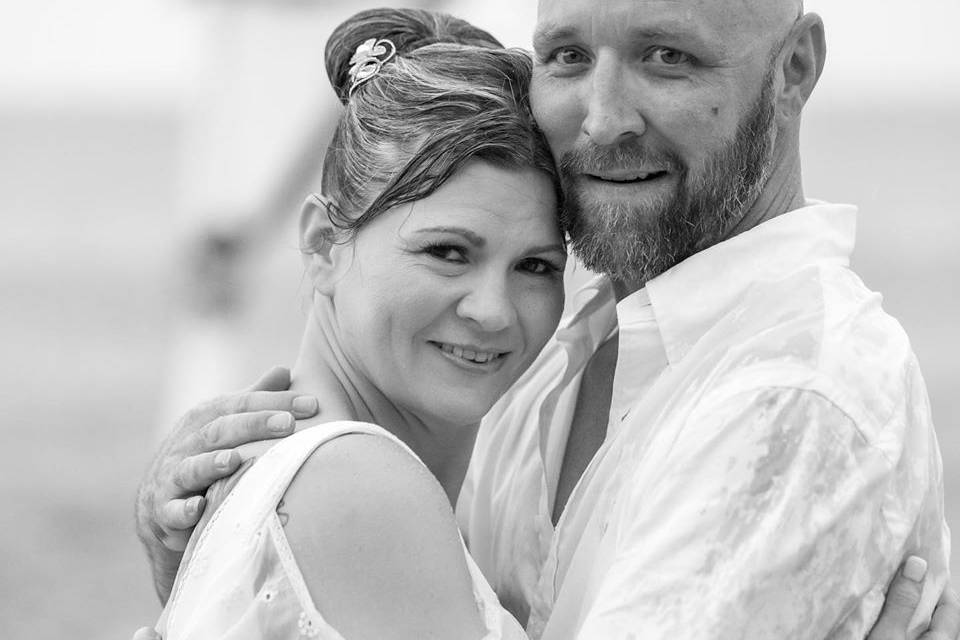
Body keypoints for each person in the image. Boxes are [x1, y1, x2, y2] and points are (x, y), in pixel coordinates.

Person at [136, 1, 960, 638]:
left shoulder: (792, 398)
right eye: (567, 56)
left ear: (795, 68)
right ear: (321, 243)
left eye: (666, 57)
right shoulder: (554, 360)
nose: (601, 119)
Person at [149, 7, 568, 638]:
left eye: (536, 265)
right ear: (321, 245)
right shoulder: (364, 487)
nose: (493, 309)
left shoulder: (291, 473)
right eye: (447, 252)